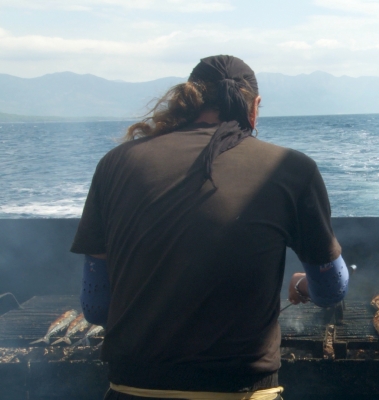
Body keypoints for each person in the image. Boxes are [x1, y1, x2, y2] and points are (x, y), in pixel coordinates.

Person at [71, 55, 349, 400]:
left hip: (133, 387)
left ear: (187, 100)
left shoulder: (115, 163)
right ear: (255, 106)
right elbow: (333, 287)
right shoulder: (292, 168)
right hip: (239, 391)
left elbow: (97, 306)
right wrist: (304, 285)